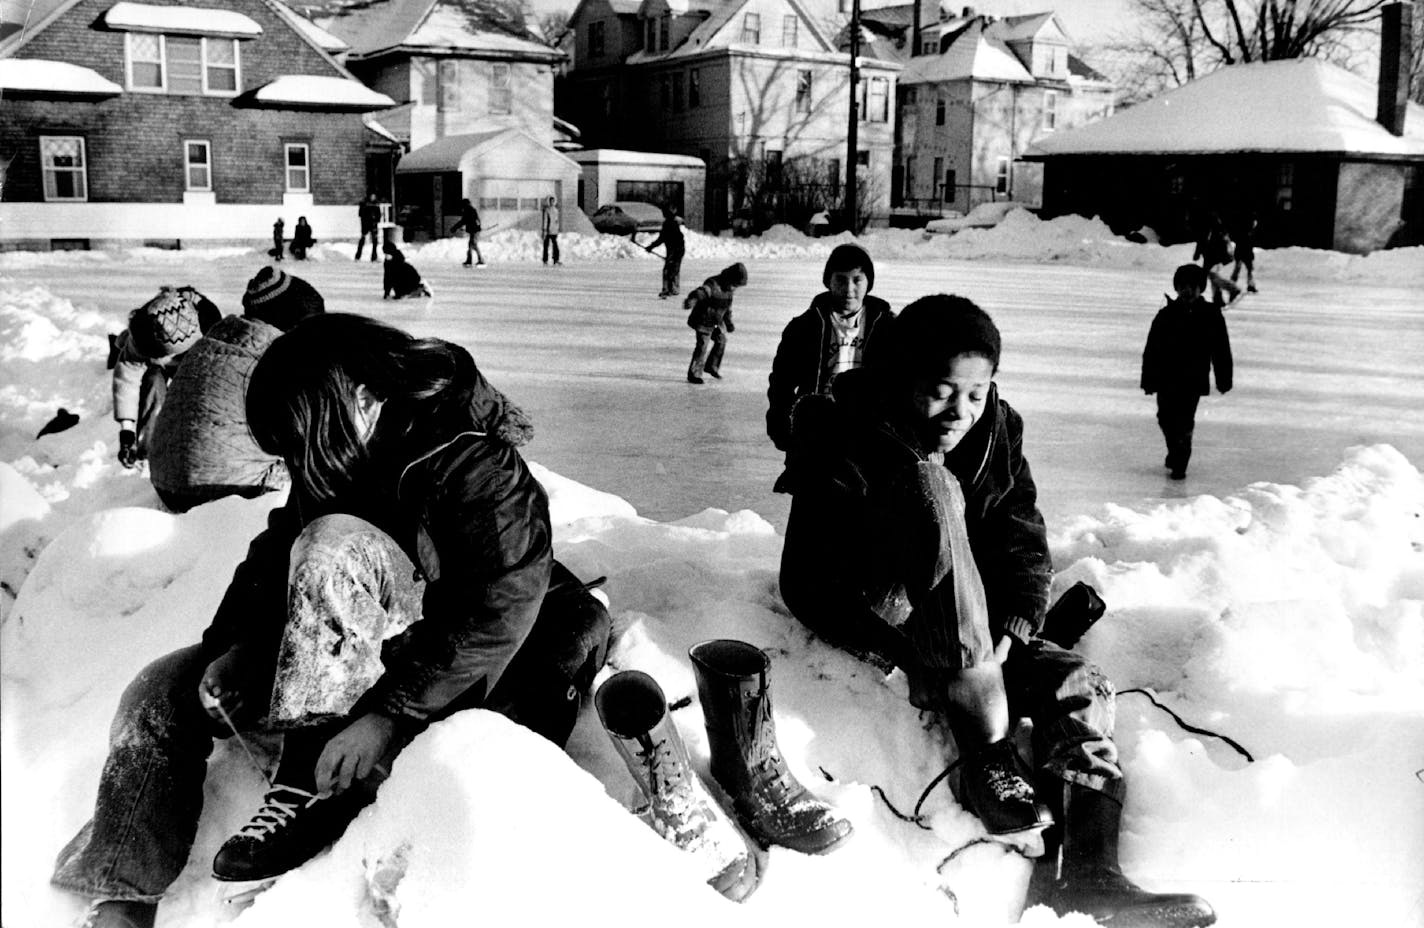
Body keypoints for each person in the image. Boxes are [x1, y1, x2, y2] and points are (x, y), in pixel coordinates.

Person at [54, 313, 612, 928]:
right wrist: (234, 649)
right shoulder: (344, 447)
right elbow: (276, 555)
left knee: (332, 542)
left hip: (461, 668)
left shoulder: (476, 466)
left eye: (303, 445)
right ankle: (122, 889)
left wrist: (389, 715)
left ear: (367, 398)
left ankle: (305, 791)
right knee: (160, 692)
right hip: (344, 650)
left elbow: (500, 607)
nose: (300, 465)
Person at [778, 295, 1216, 927]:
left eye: (976, 394)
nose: (961, 411)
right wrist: (896, 653)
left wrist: (1016, 621)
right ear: (902, 379)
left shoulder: (997, 432)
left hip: (972, 622)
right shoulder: (843, 434)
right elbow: (807, 582)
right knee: (931, 487)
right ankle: (987, 756)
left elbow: (1018, 529)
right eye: (940, 391)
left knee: (1074, 682)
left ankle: (1087, 874)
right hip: (888, 611)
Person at [147, 267, 325, 512]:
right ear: (291, 322)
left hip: (164, 479)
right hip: (219, 488)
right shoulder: (276, 359)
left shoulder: (214, 340)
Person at [766, 243, 894, 493]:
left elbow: (902, 381)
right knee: (813, 512)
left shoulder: (887, 327)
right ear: (828, 281)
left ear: (869, 282)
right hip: (817, 430)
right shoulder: (804, 326)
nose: (849, 289)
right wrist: (782, 427)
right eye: (841, 279)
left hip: (868, 431)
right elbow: (781, 382)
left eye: (857, 279)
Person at [111, 286, 222, 468]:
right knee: (152, 379)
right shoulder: (143, 332)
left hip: (198, 361)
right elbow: (127, 380)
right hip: (157, 358)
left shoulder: (210, 327)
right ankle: (147, 453)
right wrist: (127, 431)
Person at [1141, 264, 1233, 481]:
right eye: (1183, 287)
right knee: (1165, 417)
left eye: (1192, 287)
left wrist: (1224, 378)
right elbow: (1152, 349)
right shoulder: (1166, 314)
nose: (1187, 291)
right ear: (1177, 288)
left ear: (1200, 289)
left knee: (1184, 421)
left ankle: (1180, 461)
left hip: (1193, 378)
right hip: (1166, 378)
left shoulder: (1211, 314)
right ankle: (1175, 451)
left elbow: (1221, 349)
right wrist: (1148, 379)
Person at [683, 262, 747, 384]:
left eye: (737, 286)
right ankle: (694, 374)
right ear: (730, 279)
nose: (735, 288)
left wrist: (728, 323)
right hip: (703, 320)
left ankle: (711, 366)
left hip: (717, 321)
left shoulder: (729, 291)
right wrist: (692, 299)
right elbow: (701, 291)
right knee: (702, 346)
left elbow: (727, 308)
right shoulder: (713, 284)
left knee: (721, 341)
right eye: (735, 284)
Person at [1192, 211, 1240, 306]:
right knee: (1212, 275)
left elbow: (1202, 238)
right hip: (1215, 253)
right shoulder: (1216, 220)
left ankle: (1232, 289)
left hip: (1215, 254)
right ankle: (1218, 299)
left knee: (1212, 274)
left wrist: (1197, 253)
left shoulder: (1206, 220)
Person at [646, 205, 685, 298]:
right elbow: (663, 238)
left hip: (676, 249)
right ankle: (673, 289)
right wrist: (651, 246)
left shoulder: (669, 224)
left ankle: (668, 289)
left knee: (669, 270)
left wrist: (651, 247)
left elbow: (662, 238)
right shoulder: (671, 223)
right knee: (673, 269)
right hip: (676, 249)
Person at [450, 198, 485, 267]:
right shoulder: (470, 210)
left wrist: (455, 227)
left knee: (473, 244)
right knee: (471, 245)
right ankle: (469, 260)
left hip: (475, 231)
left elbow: (464, 221)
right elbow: (473, 220)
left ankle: (480, 260)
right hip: (474, 230)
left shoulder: (469, 210)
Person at [1229, 212, 1258, 294]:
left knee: (1238, 268)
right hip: (1246, 250)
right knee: (1249, 268)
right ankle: (1250, 285)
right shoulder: (1249, 232)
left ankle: (1232, 284)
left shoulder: (1241, 229)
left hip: (1241, 249)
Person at [355, 193, 381, 262]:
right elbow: (360, 214)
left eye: (374, 196)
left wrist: (376, 220)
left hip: (373, 224)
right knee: (362, 240)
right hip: (366, 224)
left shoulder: (376, 204)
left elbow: (379, 214)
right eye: (372, 196)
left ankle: (374, 257)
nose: (373, 197)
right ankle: (357, 256)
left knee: (375, 241)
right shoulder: (364, 204)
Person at [540, 195, 561, 266]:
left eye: (553, 201)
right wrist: (544, 229)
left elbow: (557, 221)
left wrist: (557, 228)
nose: (552, 202)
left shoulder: (556, 210)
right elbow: (545, 220)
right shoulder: (547, 210)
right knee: (546, 246)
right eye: (551, 201)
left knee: (555, 246)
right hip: (548, 231)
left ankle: (556, 259)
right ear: (549, 202)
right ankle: (545, 260)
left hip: (554, 231)